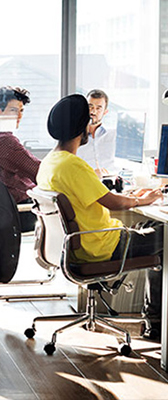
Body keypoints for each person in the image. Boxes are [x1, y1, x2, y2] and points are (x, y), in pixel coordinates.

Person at [37, 94, 162, 340]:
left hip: (80, 246)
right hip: (103, 246)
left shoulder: (50, 162)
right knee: (166, 239)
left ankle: (152, 320)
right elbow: (112, 201)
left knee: (150, 226)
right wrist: (142, 200)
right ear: (81, 127)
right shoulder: (73, 165)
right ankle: (156, 325)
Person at [0, 86, 40, 231]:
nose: (19, 116)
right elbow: (38, 172)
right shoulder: (4, 140)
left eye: (21, 110)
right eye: (13, 110)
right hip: (17, 212)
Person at [76, 89, 116, 176]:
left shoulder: (114, 136)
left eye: (98, 108)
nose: (93, 112)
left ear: (105, 112)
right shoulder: (74, 137)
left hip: (111, 182)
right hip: (84, 182)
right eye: (90, 106)